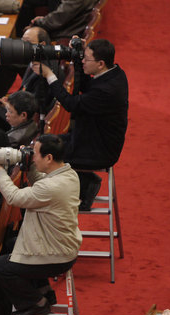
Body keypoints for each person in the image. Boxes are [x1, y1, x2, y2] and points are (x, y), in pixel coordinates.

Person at [31, 37, 129, 210]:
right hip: (89, 136)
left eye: (86, 59)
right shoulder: (114, 73)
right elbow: (85, 84)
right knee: (44, 143)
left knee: (46, 154)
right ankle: (85, 181)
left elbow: (70, 103)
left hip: (99, 150)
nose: (83, 61)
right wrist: (77, 56)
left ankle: (83, 186)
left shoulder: (106, 90)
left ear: (100, 64)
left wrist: (50, 76)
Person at [0, 134, 81, 315]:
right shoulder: (69, 174)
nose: (33, 156)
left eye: (36, 154)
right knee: (11, 244)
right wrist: (30, 164)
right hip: (63, 246)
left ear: (49, 158)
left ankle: (35, 304)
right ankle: (43, 291)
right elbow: (41, 184)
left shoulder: (51, 187)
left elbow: (15, 197)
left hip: (55, 255)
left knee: (0, 267)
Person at [16, 0, 96, 39]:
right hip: (64, 26)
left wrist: (36, 23)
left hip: (63, 33)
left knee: (9, 55)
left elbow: (59, 18)